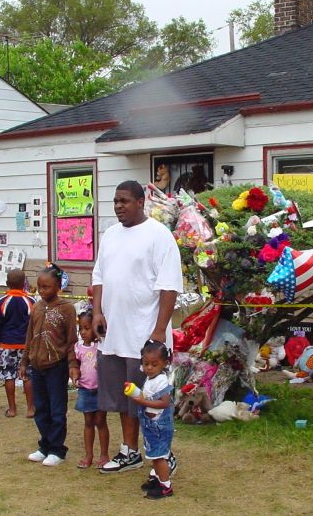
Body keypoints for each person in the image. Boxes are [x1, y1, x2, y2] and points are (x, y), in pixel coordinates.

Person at [92, 180, 183, 475]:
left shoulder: (159, 236)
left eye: (124, 201)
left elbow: (169, 287)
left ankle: (162, 454)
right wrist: (96, 313)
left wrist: (158, 331)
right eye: (115, 201)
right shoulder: (110, 235)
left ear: (141, 202)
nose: (118, 206)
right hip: (113, 335)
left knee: (151, 402)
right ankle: (129, 451)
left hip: (145, 338)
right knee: (121, 397)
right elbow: (99, 277)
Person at [20, 264, 79, 467]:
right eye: (39, 287)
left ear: (57, 286)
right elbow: (29, 336)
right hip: (37, 366)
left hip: (57, 366)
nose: (42, 291)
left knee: (56, 409)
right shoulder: (36, 307)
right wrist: (24, 361)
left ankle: (57, 449)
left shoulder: (67, 309)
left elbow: (72, 340)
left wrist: (73, 365)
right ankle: (44, 445)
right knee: (41, 409)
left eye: (46, 287)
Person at [129, 340, 175, 499]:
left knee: (158, 457)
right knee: (154, 455)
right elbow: (146, 394)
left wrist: (142, 402)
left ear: (164, 363)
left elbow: (164, 402)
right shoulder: (151, 378)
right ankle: (157, 479)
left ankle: (166, 486)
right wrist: (134, 391)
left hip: (158, 426)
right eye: (146, 363)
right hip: (151, 425)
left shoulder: (161, 380)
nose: (149, 368)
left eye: (154, 364)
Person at [0, 269, 35, 419]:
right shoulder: (32, 301)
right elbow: (35, 326)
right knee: (28, 376)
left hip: (6, 345)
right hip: (26, 346)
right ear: (24, 283)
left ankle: (12, 409)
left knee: (9, 376)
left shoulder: (1, 302)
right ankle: (31, 409)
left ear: (7, 283)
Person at [74, 308, 109, 469]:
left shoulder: (102, 346)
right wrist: (74, 375)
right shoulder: (78, 348)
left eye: (87, 328)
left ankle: (104, 454)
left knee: (101, 421)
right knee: (88, 422)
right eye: (81, 328)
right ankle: (89, 455)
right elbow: (75, 364)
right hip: (85, 390)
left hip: (101, 390)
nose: (83, 332)